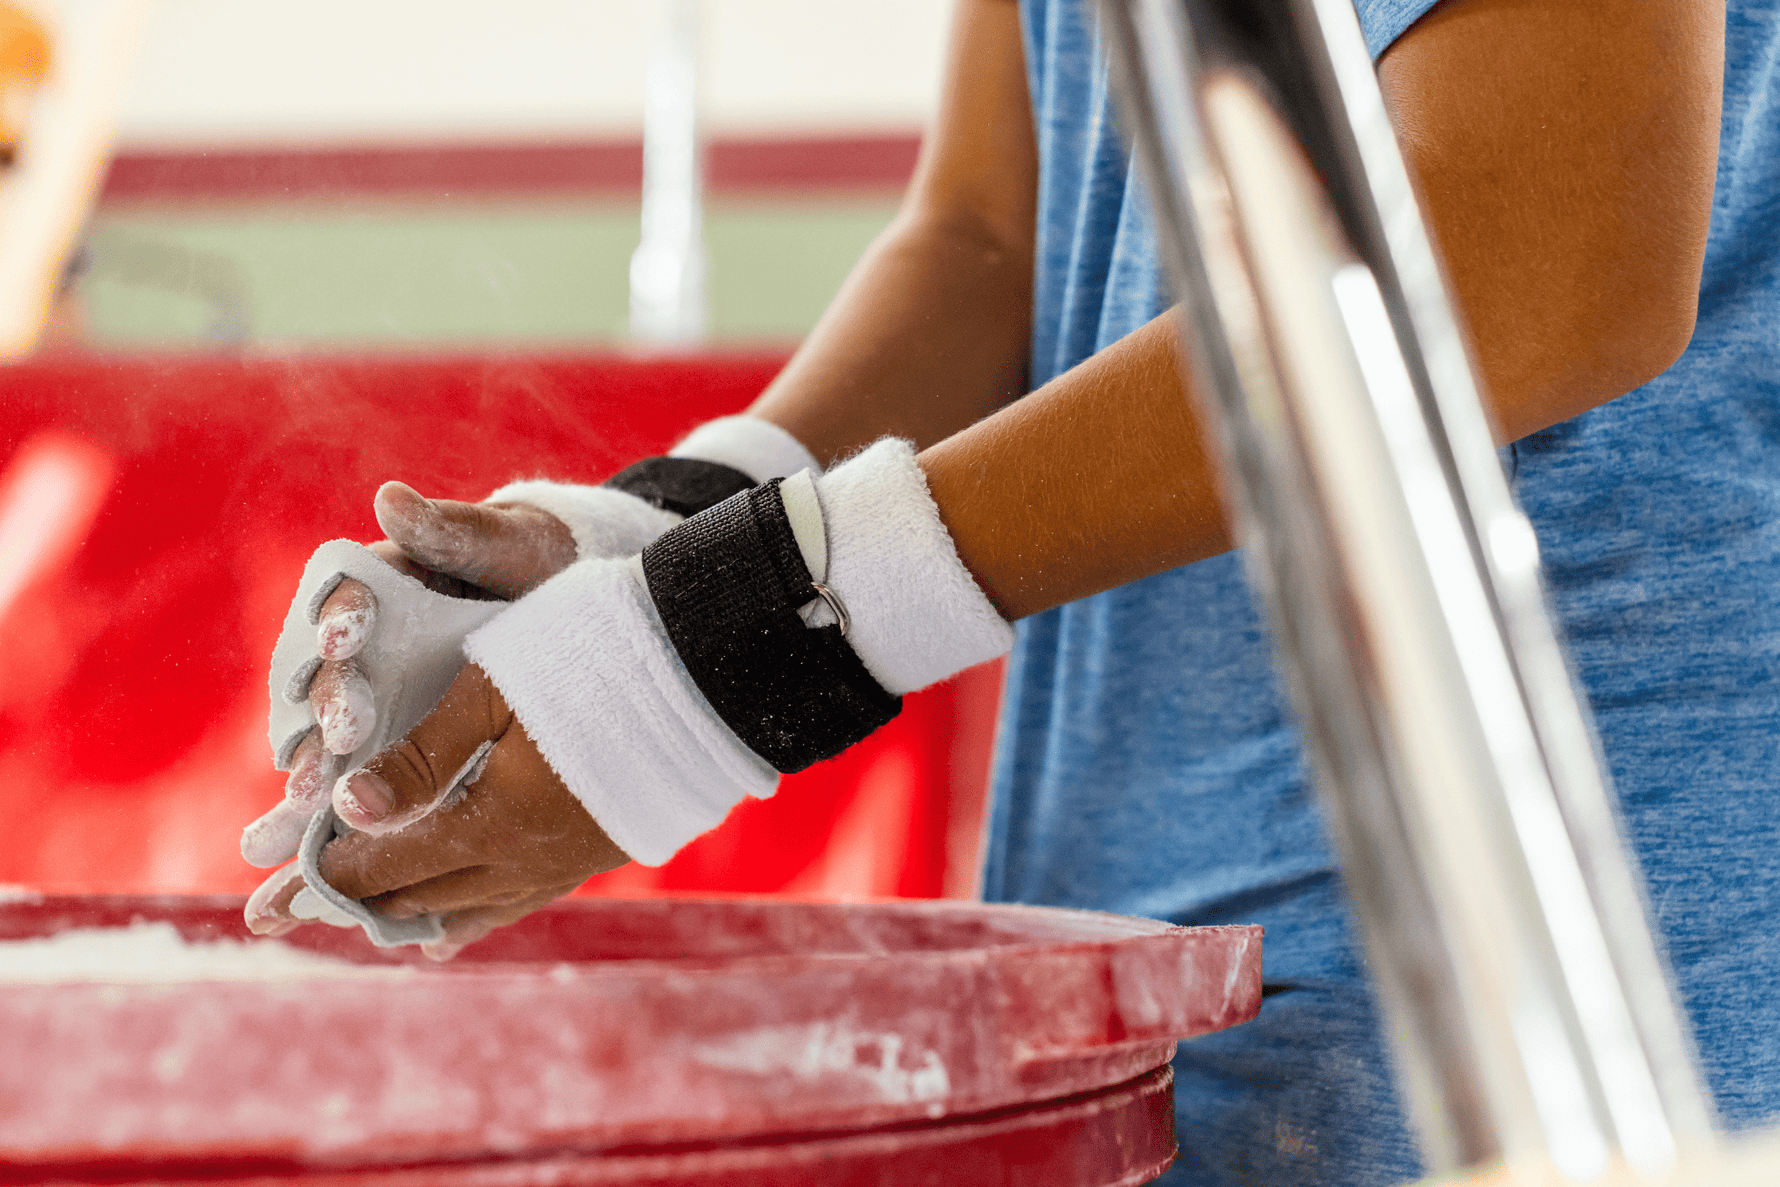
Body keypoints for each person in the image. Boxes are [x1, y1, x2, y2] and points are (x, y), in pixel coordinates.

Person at [245, 0, 1777, 1182]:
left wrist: (731, 644)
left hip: (1588, 961)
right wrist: (663, 530)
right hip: (1146, 959)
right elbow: (1000, 223)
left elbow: (1534, 256)